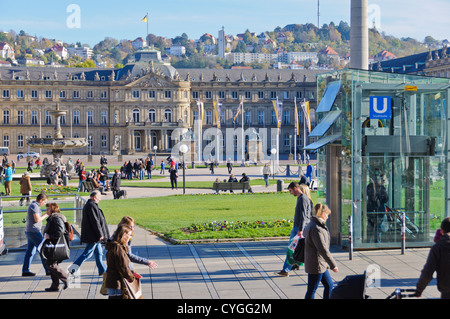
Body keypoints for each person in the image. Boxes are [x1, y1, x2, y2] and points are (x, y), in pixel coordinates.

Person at [69, 190, 110, 276]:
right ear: (94, 197)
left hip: (93, 235)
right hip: (93, 235)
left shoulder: (91, 205)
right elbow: (95, 221)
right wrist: (100, 234)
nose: (100, 199)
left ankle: (103, 270)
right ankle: (73, 268)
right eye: (99, 197)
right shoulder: (91, 206)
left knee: (99, 254)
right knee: (87, 253)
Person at [303, 203, 338, 299]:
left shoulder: (313, 224)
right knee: (312, 290)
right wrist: (333, 265)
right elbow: (323, 249)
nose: (327, 217)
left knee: (329, 285)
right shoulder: (316, 229)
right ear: (322, 214)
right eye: (327, 214)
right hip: (317, 264)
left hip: (319, 263)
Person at [276, 182, 311, 277]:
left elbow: (304, 216)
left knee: (291, 249)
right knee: (297, 249)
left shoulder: (303, 198)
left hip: (299, 228)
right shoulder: (300, 198)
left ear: (295, 188)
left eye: (291, 190)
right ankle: (292, 266)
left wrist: (300, 229)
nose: (290, 193)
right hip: (298, 227)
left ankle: (286, 269)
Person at [415, 217, 450, 299]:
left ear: (441, 231)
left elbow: (427, 273)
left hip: (447, 291)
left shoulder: (438, 247)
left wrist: (419, 290)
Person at [104, 225, 137, 299]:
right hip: (116, 284)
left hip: (112, 282)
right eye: (129, 235)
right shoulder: (118, 248)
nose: (130, 237)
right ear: (124, 235)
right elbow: (123, 267)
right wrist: (131, 277)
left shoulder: (113, 246)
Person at [42, 203, 70, 292]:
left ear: (53, 209)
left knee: (50, 264)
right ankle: (55, 285)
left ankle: (66, 277)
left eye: (48, 209)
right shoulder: (53, 218)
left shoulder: (56, 218)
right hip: (53, 245)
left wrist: (50, 236)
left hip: (55, 245)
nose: (46, 211)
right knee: (53, 264)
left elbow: (60, 231)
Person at [22, 193, 49, 276]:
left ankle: (25, 270)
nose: (44, 204)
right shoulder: (35, 206)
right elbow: (37, 220)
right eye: (44, 202)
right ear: (41, 200)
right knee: (43, 250)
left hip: (30, 231)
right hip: (34, 232)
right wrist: (46, 214)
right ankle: (48, 270)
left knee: (30, 252)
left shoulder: (34, 205)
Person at [366, 173, 388, 243]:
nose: (384, 181)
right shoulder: (382, 188)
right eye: (383, 180)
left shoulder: (369, 186)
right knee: (378, 227)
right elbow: (386, 199)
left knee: (371, 226)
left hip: (370, 210)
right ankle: (377, 241)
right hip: (379, 210)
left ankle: (368, 241)